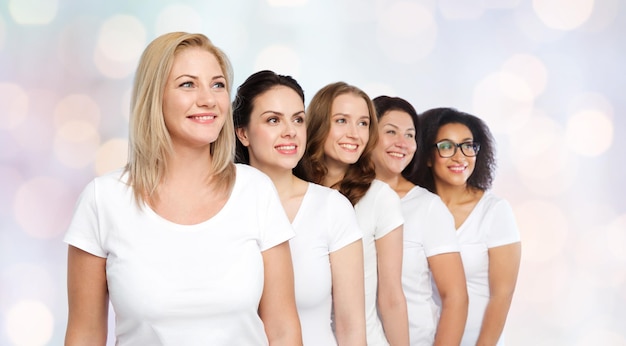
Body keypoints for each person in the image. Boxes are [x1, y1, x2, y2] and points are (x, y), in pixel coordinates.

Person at [63, 32, 302, 345]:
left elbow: (283, 328)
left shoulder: (256, 191)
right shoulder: (103, 200)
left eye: (217, 84)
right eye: (187, 84)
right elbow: (85, 334)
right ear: (154, 96)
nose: (208, 98)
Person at [233, 70, 366, 345]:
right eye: (273, 120)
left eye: (298, 119)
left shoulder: (332, 208)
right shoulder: (221, 207)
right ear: (243, 133)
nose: (290, 131)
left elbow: (351, 327)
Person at [295, 82, 409, 346]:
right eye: (342, 120)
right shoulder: (292, 191)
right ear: (319, 123)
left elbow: (391, 297)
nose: (354, 134)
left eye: (363, 123)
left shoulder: (380, 198)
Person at [414, 107, 521, 346]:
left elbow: (501, 295)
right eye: (446, 146)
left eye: (468, 145)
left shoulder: (494, 211)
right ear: (428, 157)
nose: (460, 156)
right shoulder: (416, 208)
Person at [371, 96, 468, 345]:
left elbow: (455, 297)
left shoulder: (427, 207)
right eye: (391, 132)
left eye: (410, 135)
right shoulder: (345, 201)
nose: (402, 143)